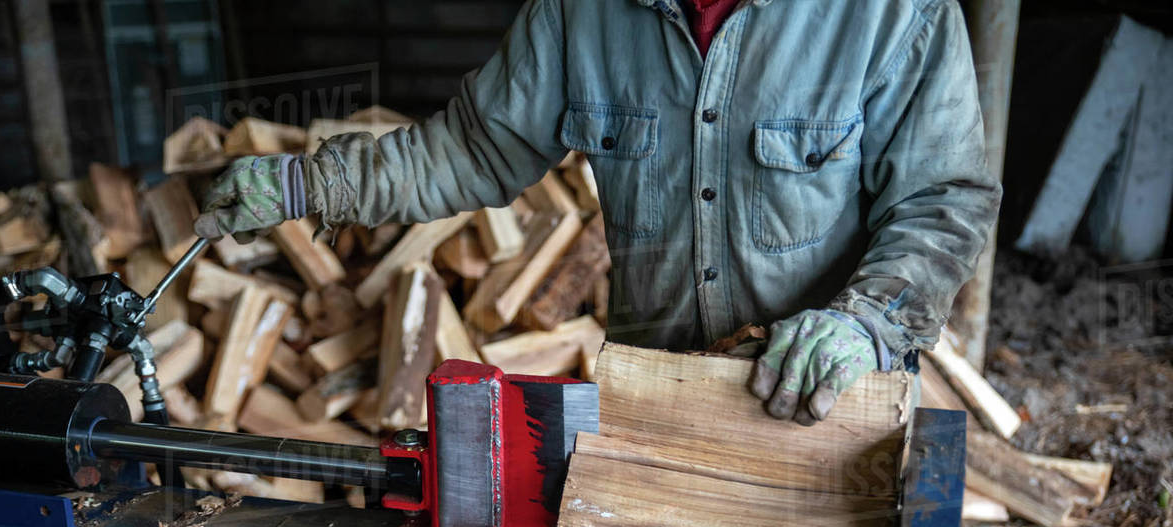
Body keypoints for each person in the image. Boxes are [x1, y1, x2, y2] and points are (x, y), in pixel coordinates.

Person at [195, 0, 1000, 430]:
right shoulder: (581, 12)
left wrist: (864, 322)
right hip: (659, 404)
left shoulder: (893, 12)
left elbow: (945, 199)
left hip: (828, 408)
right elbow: (473, 148)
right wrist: (311, 185)